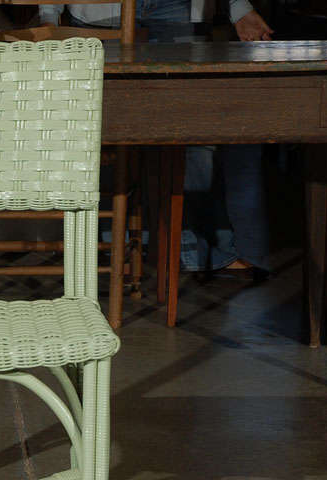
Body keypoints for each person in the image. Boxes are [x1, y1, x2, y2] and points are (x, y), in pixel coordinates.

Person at [40, 0, 273, 277]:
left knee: (191, 133)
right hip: (100, 12)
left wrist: (238, 7)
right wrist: (48, 14)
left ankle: (189, 253)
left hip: (175, 7)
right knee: (101, 128)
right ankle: (108, 249)